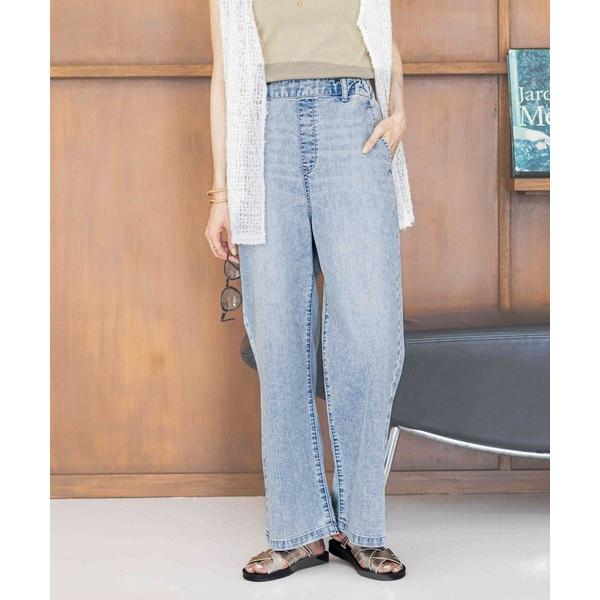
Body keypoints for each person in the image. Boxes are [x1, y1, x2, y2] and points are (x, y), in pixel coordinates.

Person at [206, 0, 414, 582]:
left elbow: (386, 41)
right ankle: (298, 531)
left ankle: (360, 527)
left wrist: (400, 108)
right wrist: (221, 195)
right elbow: (223, 74)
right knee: (277, 338)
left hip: (355, 125)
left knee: (371, 334)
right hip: (263, 132)